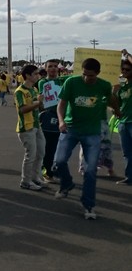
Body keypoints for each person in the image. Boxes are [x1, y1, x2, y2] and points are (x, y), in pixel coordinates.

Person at [54, 57, 120, 220]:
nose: (86, 78)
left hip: (92, 132)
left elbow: (111, 99)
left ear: (97, 74)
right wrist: (61, 121)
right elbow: (61, 104)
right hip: (71, 128)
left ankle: (88, 205)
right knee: (59, 161)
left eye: (90, 76)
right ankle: (67, 183)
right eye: (84, 74)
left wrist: (117, 109)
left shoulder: (104, 85)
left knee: (90, 170)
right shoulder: (72, 82)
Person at [14, 64, 45, 191]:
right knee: (30, 155)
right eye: (36, 74)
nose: (38, 76)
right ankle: (25, 181)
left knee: (40, 153)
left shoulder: (34, 90)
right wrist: (37, 103)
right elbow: (22, 109)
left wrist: (42, 102)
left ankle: (35, 177)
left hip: (37, 125)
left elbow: (40, 107)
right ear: (27, 75)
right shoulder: (20, 91)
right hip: (26, 127)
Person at [38, 59, 68, 182]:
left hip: (63, 117)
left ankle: (53, 170)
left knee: (59, 147)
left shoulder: (64, 80)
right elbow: (43, 101)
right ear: (46, 69)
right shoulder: (43, 82)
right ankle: (46, 172)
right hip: (49, 117)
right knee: (48, 146)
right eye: (50, 66)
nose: (53, 68)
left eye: (55, 66)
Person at [116, 50, 132, 185]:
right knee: (127, 153)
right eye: (123, 69)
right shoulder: (122, 85)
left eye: (127, 69)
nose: (124, 71)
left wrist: (127, 56)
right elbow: (116, 103)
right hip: (123, 122)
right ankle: (129, 177)